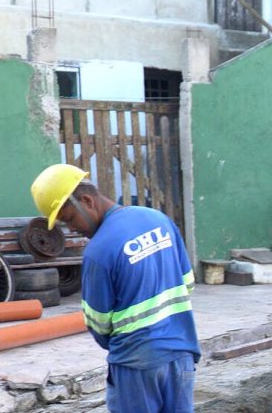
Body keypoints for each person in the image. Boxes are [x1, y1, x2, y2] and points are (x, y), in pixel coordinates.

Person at [30, 164, 200, 413]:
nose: (72, 229)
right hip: (181, 353)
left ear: (87, 201)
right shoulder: (158, 219)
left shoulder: (99, 251)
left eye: (69, 219)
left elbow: (99, 324)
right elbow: (188, 284)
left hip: (135, 364)